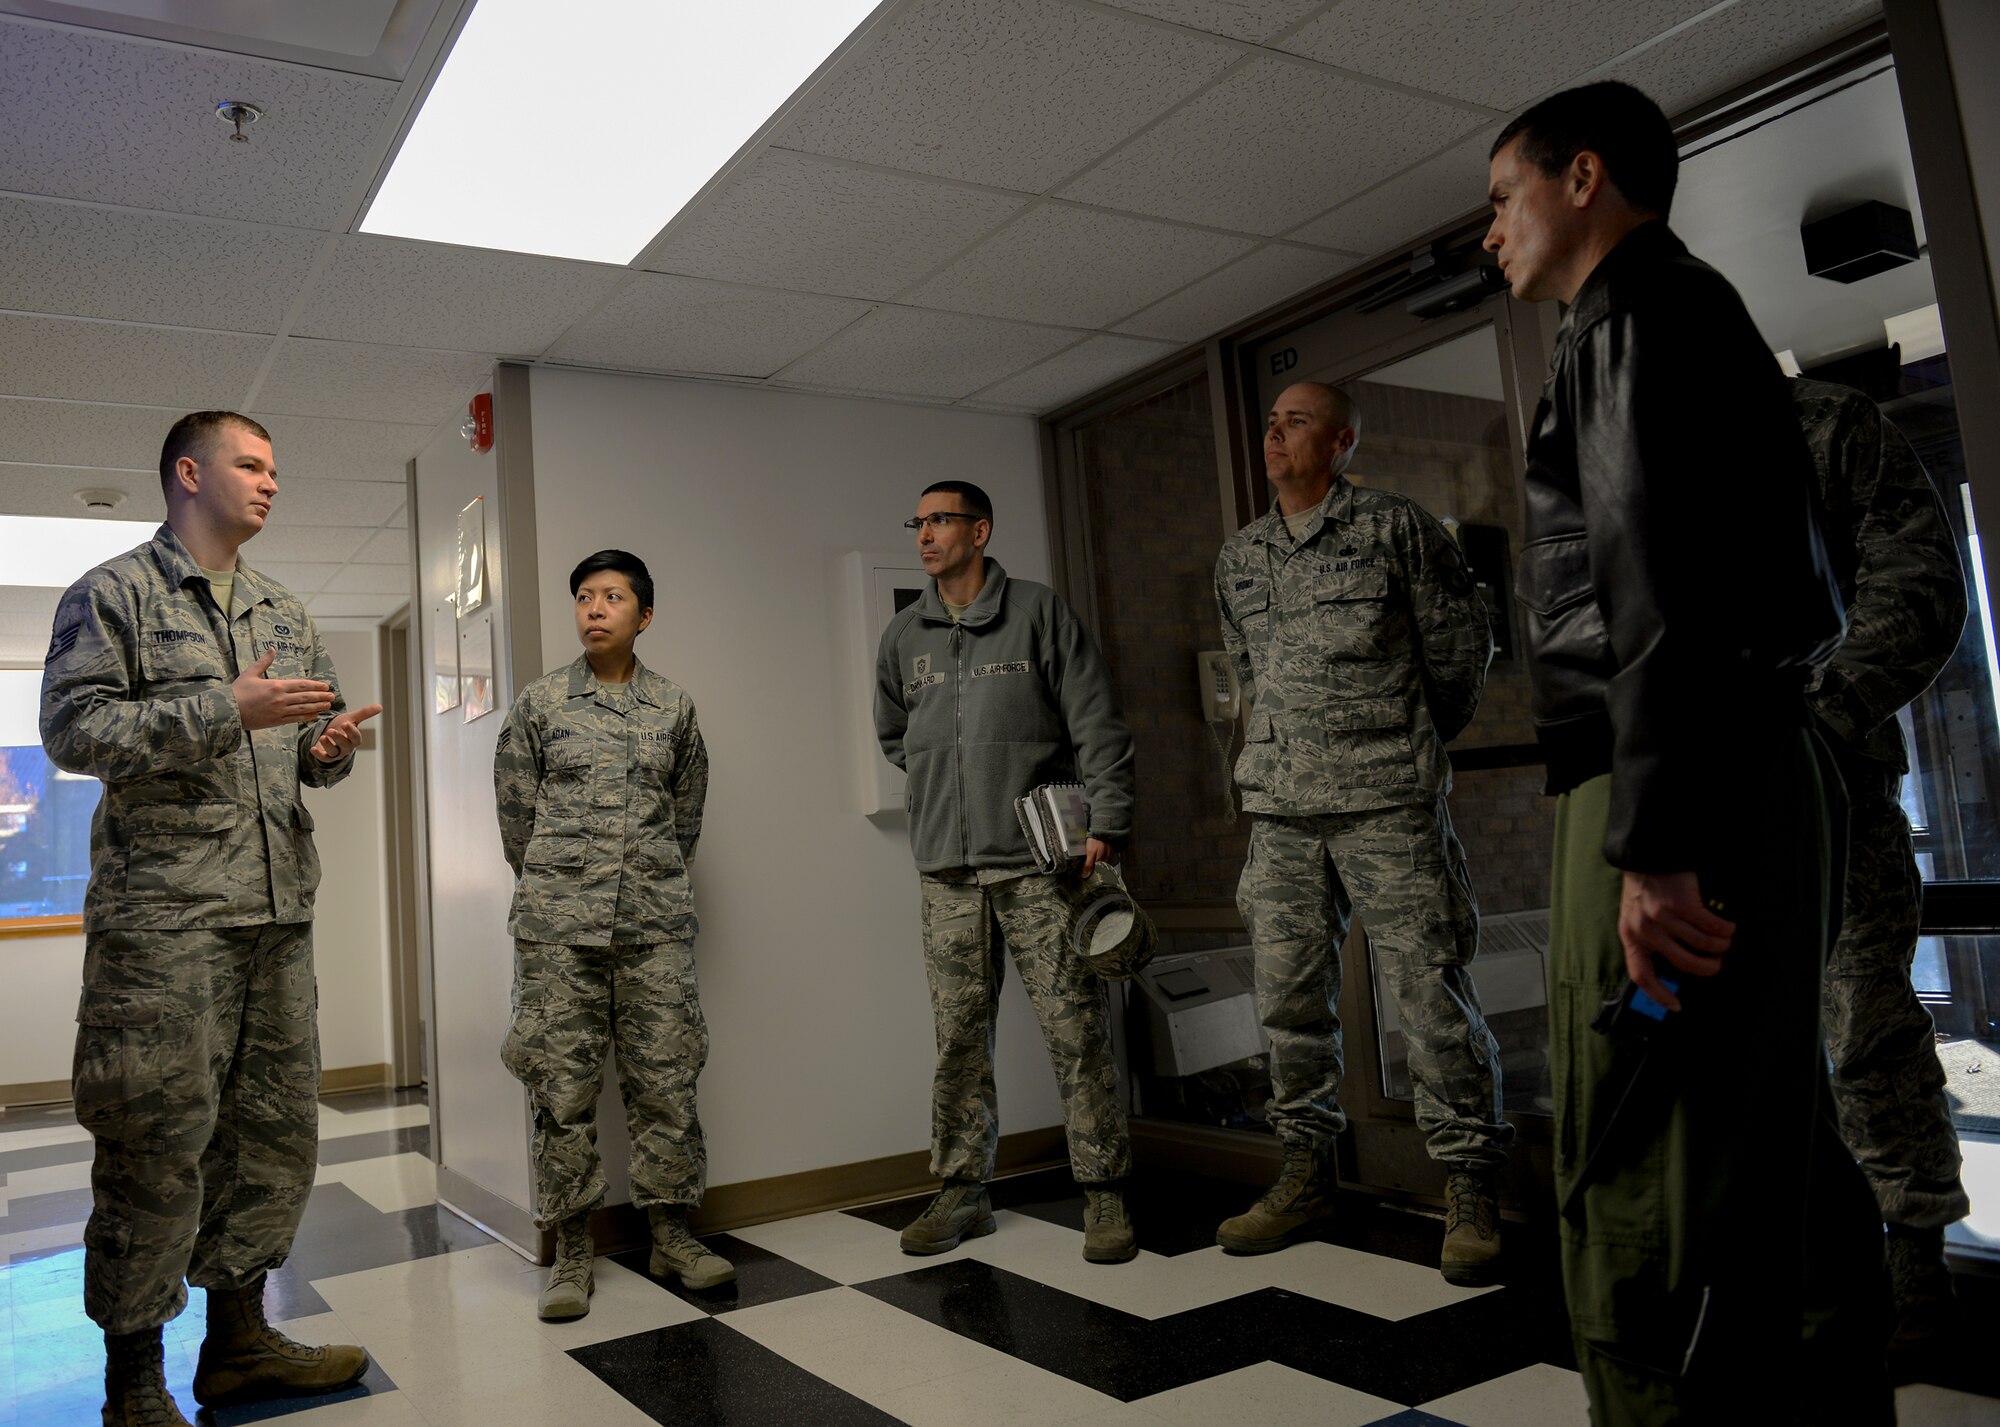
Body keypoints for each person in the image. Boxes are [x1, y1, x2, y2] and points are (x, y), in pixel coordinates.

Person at [1484, 81, 1891, 1422]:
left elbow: (1650, 586)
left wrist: (1651, 847)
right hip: (1751, 760)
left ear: (1582, 175)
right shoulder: (1696, 311)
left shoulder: (1626, 321)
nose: (1493, 232)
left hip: (1666, 783)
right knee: (1774, 1134)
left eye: (1504, 198)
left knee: (1636, 1154)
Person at [42, 411, 379, 1426]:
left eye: (278, 467)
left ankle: (238, 1341)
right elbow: (71, 727)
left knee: (268, 1135)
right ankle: (133, 1379)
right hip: (165, 928)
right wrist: (220, 708)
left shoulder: (283, 606)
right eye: (250, 464)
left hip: (275, 917)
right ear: (189, 474)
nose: (271, 482)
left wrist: (328, 749)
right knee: (154, 1143)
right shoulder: (115, 594)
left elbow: (312, 733)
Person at [1212, 381, 1509, 1284]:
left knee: (1427, 992)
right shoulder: (1240, 556)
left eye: (1294, 420)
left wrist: (1400, 740)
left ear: (1341, 442)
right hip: (1282, 811)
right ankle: (1305, 1173)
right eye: (1269, 421)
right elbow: (1246, 667)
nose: (1274, 433)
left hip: (1387, 801)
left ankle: (1469, 1184)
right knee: (1289, 1001)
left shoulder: (1396, 528)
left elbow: (1460, 653)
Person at [874, 481, 1140, 1264]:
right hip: (947, 874)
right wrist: (944, 788)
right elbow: (899, 735)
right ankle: (963, 1192)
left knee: (1074, 1028)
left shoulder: (1038, 612)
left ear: (980, 529)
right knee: (958, 1037)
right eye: (917, 520)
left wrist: (1109, 821)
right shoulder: (903, 637)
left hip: (1037, 866)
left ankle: (1104, 1191)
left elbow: (1096, 719)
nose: (925, 533)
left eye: (940, 520)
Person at [493, 549, 733, 1319]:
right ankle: (571, 1249)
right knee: (560, 1091)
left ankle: (671, 1232)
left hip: (654, 927)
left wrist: (647, 878)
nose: (595, 608)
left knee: (666, 1081)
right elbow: (515, 821)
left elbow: (685, 817)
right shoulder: (538, 705)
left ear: (644, 615)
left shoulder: (674, 708)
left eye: (613, 597)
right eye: (585, 597)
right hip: (559, 932)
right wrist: (565, 888)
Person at [1793, 376, 1971, 1365]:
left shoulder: (1825, 426)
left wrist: (1819, 715)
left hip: (1832, 788)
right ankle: (1790, 1261)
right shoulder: (1625, 451)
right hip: (1691, 811)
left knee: (1863, 1024)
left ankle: (1914, 1264)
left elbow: (1915, 582)